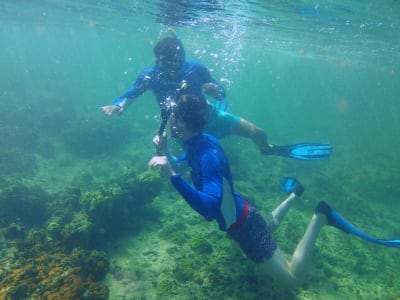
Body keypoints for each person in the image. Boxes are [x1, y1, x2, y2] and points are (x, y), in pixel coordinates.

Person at [148, 94, 337, 288]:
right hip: (244, 213)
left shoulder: (207, 155)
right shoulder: (200, 141)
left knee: (292, 281)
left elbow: (209, 208)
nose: (169, 121)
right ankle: (294, 194)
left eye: (172, 117)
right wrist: (166, 151)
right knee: (265, 226)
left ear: (182, 122)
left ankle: (319, 218)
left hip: (242, 226)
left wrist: (172, 176)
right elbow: (181, 164)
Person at [100, 36, 271, 154]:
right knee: (199, 160)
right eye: (168, 64)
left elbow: (220, 93)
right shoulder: (150, 76)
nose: (174, 70)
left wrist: (216, 92)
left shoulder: (195, 68)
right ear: (158, 61)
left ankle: (266, 150)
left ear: (182, 59)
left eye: (178, 64)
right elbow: (132, 93)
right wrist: (118, 105)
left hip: (210, 115)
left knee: (259, 133)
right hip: (182, 128)